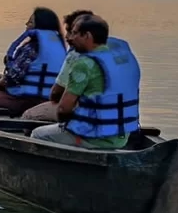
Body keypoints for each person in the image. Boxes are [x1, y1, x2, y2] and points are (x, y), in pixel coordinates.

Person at [29, 15, 141, 149]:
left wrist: (67, 125)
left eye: (75, 33)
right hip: (121, 137)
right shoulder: (123, 61)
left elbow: (63, 109)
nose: (70, 38)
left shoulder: (84, 64)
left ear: (87, 36)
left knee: (37, 134)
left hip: (94, 138)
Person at [0, 7, 67, 114]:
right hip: (49, 100)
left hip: (28, 100)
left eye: (30, 22)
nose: (26, 24)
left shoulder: (30, 49)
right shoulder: (61, 47)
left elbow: (12, 78)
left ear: (39, 25)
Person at [21, 8, 94, 121]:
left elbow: (56, 93)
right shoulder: (108, 54)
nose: (67, 37)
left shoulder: (75, 56)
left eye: (71, 32)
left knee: (27, 116)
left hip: (82, 113)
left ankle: (34, 137)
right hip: (112, 115)